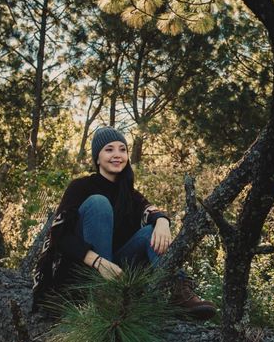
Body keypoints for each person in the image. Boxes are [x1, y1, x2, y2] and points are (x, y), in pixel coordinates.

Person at [32, 126, 216, 320]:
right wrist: (98, 262)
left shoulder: (127, 193)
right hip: (82, 273)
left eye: (122, 149)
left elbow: (150, 210)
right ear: (97, 157)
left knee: (151, 231)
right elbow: (60, 235)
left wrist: (162, 222)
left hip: (116, 272)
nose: (117, 155)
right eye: (109, 149)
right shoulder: (81, 186)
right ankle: (104, 294)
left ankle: (177, 290)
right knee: (99, 203)